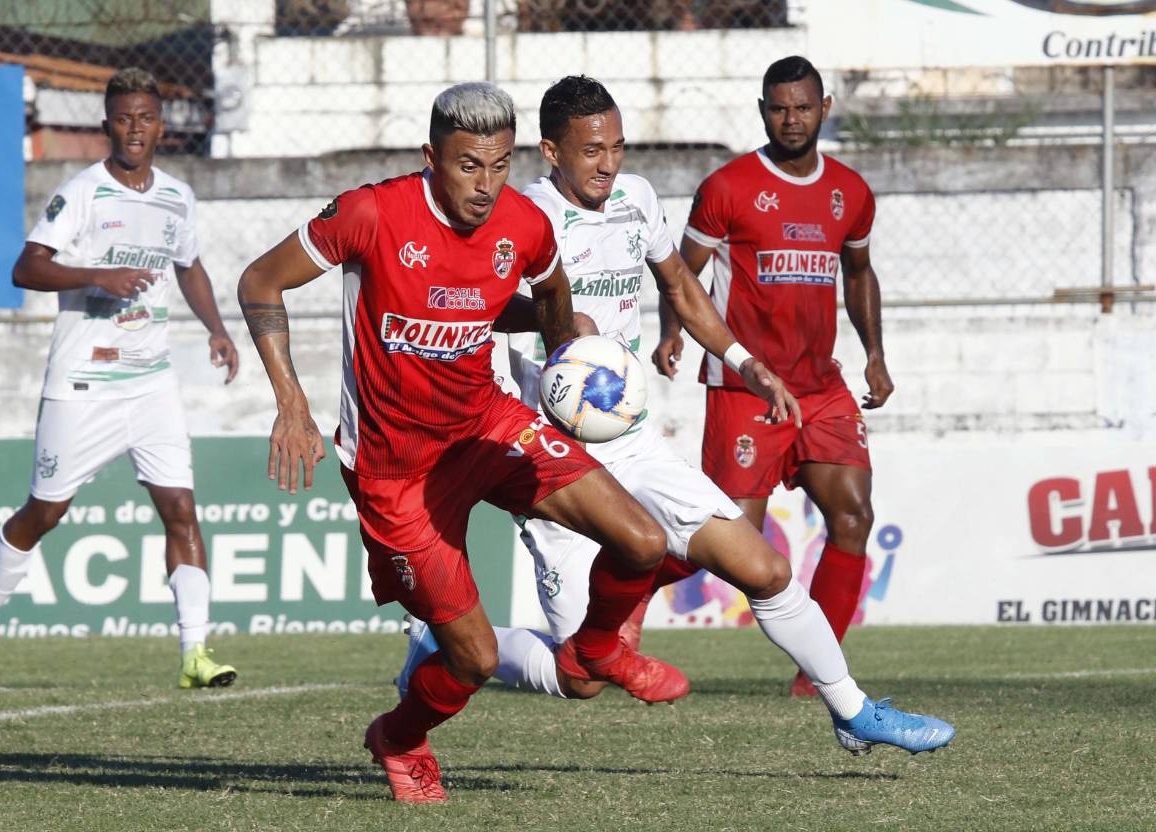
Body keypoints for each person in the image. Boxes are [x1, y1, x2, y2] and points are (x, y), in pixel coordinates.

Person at [397, 74, 954, 759]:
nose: (610, 164)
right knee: (583, 673)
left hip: (631, 441)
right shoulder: (513, 221)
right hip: (554, 461)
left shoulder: (636, 199)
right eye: (592, 151)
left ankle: (852, 709)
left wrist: (746, 361)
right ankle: (435, 643)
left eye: (618, 147)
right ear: (550, 151)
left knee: (767, 570)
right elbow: (467, 314)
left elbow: (681, 285)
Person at [236, 82, 690, 805]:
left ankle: (598, 645)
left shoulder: (524, 225)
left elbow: (548, 294)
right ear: (431, 157)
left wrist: (566, 344)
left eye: (501, 164)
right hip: (396, 470)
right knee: (473, 660)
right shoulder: (371, 212)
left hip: (486, 423)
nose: (486, 186)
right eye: (468, 166)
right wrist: (291, 403)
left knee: (641, 538)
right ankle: (400, 736)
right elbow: (260, 280)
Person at [0, 68, 240, 693]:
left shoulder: (177, 196)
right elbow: (26, 268)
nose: (135, 129)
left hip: (151, 381)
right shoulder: (82, 193)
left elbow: (188, 267)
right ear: (107, 124)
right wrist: (96, 277)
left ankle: (195, 652)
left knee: (181, 509)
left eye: (146, 118)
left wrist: (216, 328)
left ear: (161, 125)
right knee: (46, 512)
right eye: (124, 118)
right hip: (83, 382)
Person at [654, 56, 892, 698]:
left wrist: (874, 353)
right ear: (764, 110)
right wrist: (673, 332)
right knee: (728, 543)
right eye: (780, 108)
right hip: (746, 391)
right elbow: (681, 273)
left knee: (854, 515)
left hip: (821, 389)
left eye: (803, 107)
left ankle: (818, 677)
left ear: (825, 107)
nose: (792, 119)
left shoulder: (850, 191)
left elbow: (859, 272)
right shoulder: (728, 186)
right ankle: (614, 614)